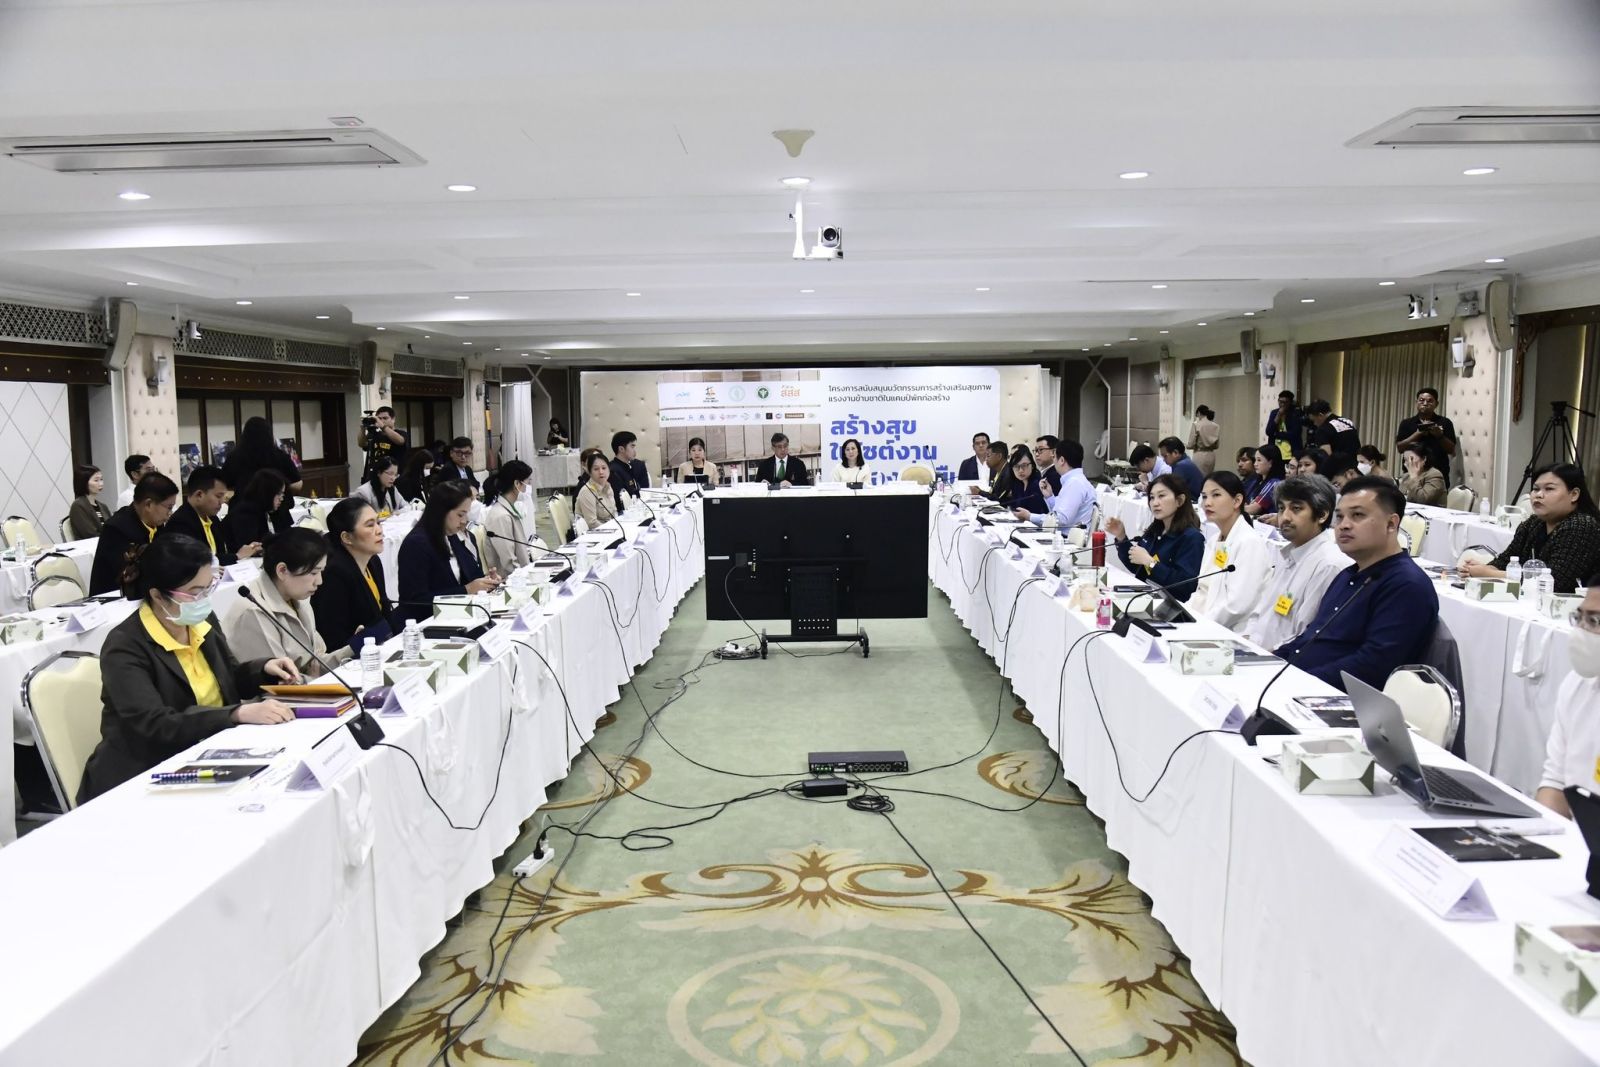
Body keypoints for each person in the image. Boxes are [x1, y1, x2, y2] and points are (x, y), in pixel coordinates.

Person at [76, 533, 300, 802]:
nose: (204, 600)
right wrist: (235, 714)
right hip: (145, 773)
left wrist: (264, 669)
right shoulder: (125, 645)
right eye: (195, 593)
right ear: (157, 595)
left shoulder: (199, 620)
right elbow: (154, 723)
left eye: (208, 588)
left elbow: (228, 678)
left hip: (209, 753)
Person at [1273, 476, 1439, 691]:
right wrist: (1271, 662)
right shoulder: (1348, 575)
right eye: (1340, 517)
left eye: (1357, 515)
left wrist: (1296, 682)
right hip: (1298, 682)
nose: (1343, 525)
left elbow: (1372, 667)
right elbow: (1311, 637)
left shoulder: (1406, 585)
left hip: (1333, 698)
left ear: (1391, 524)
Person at [1246, 475, 1350, 652]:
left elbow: (1305, 636)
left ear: (1322, 514)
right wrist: (1245, 642)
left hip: (1282, 662)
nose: (1285, 517)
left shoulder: (1329, 565)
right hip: (1256, 653)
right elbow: (1260, 613)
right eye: (1281, 508)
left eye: (1296, 508)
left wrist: (1261, 656)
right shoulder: (1288, 553)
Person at [225, 528, 351, 674]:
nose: (319, 581)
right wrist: (317, 680)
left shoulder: (298, 597)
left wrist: (354, 649)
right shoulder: (253, 611)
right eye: (313, 573)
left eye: (321, 572)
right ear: (282, 570)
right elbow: (280, 679)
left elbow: (316, 664)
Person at [1462, 463, 1600, 593]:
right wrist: (1482, 568)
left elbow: (1554, 583)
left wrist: (1489, 573)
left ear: (1574, 495)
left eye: (1549, 489)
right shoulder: (1533, 523)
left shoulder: (1582, 526)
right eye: (1535, 489)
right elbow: (1505, 561)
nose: (1539, 495)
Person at [1535, 580, 1600, 817]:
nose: (1581, 630)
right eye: (1579, 617)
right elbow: (1555, 784)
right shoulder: (1576, 685)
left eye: (1594, 621)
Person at [397, 481, 501, 621]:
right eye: (460, 515)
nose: (464, 521)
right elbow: (414, 602)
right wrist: (466, 590)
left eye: (466, 514)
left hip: (458, 617)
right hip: (429, 622)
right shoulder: (416, 544)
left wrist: (486, 582)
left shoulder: (451, 535)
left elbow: (470, 579)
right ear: (441, 511)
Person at [1189, 472, 1276, 630]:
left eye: (1216, 495)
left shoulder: (1249, 542)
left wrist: (1200, 625)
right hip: (1206, 622)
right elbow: (1203, 590)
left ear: (1237, 501)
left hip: (1235, 631)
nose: (1207, 503)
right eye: (1204, 496)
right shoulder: (1214, 539)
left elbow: (1237, 605)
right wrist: (1184, 614)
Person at [311, 498, 395, 653]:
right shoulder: (333, 574)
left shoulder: (373, 561)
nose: (379, 530)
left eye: (378, 522)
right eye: (370, 525)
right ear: (347, 538)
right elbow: (333, 637)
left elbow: (384, 614)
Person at [1105, 474, 1205, 601]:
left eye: (1161, 496)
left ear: (1179, 500)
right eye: (1152, 497)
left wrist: (1150, 563)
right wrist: (1121, 536)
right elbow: (1136, 566)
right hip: (1145, 597)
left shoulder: (1192, 538)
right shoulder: (1155, 530)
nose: (1155, 503)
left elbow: (1185, 586)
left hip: (1169, 605)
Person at [90, 472, 180, 595]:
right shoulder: (117, 529)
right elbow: (128, 577)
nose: (170, 513)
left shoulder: (156, 523)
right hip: (116, 599)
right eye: (169, 507)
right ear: (148, 504)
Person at [161, 465, 260, 566]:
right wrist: (237, 556)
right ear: (199, 495)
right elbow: (197, 562)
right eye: (218, 496)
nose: (222, 501)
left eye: (224, 497)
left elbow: (220, 554)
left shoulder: (213, 519)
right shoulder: (180, 523)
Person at [221, 416, 303, 531]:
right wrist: (281, 490)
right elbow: (298, 484)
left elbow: (224, 485)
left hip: (243, 513)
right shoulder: (279, 456)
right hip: (277, 513)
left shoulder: (234, 457)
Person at [1014, 438, 1094, 529]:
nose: (1054, 461)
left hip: (1066, 536)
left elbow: (1061, 519)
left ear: (1062, 460)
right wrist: (1050, 497)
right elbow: (1060, 512)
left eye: (1054, 457)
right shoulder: (1073, 481)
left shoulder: (1075, 483)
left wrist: (1030, 516)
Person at [482, 459, 537, 576]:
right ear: (517, 484)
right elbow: (509, 563)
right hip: (509, 580)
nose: (529, 486)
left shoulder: (508, 508)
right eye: (528, 481)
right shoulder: (500, 516)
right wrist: (529, 578)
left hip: (520, 574)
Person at [1395, 387, 1457, 476]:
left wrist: (1439, 436)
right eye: (1421, 400)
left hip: (1438, 472)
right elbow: (1400, 448)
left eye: (1430, 401)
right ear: (1416, 402)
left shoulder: (1445, 422)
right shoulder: (1407, 423)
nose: (1425, 403)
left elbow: (1451, 450)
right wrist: (1418, 434)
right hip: (1412, 472)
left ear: (1436, 404)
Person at [360, 405, 409, 482]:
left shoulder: (401, 433)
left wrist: (383, 426)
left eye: (385, 418)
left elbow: (400, 441)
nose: (382, 421)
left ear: (393, 419)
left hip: (394, 477)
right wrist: (362, 429)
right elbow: (362, 444)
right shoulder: (375, 434)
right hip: (376, 476)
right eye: (379, 418)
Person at [576, 450, 624, 527]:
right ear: (589, 472)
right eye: (596, 469)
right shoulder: (587, 491)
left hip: (611, 528)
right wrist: (612, 529)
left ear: (609, 470)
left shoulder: (608, 487)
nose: (601, 472)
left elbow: (614, 512)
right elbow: (592, 523)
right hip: (596, 532)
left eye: (604, 468)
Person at [68, 464, 113, 540]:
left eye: (101, 479)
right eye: (96, 480)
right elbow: (90, 534)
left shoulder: (103, 506)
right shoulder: (78, 506)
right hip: (91, 546)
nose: (101, 483)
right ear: (84, 482)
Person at [1243, 446, 1287, 517]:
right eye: (1255, 460)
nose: (1255, 464)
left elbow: (1254, 509)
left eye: (1259, 460)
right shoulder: (1255, 480)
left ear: (1270, 463)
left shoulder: (1275, 483)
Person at [1264, 391, 1304, 462]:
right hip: (1275, 451)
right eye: (1280, 401)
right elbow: (1269, 431)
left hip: (1291, 452)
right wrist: (1278, 415)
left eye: (1285, 402)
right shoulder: (1274, 413)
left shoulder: (1295, 413)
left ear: (1290, 402)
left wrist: (1276, 434)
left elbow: (1294, 434)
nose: (1282, 404)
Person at [609, 431, 649, 495]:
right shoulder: (613, 471)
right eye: (632, 446)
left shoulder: (629, 466)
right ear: (621, 449)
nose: (635, 451)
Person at [1188, 406, 1221, 476]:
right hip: (1211, 455)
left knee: (1198, 476)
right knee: (1209, 476)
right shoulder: (1216, 426)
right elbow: (1217, 445)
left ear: (1199, 413)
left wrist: (1187, 445)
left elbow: (1191, 444)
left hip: (1199, 454)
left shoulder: (1196, 424)